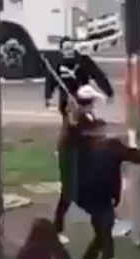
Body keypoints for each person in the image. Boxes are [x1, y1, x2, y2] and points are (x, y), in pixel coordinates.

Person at [76, 119, 140, 259]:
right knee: (105, 223)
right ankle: (105, 258)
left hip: (97, 193)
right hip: (91, 193)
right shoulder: (87, 147)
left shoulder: (106, 145)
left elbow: (130, 154)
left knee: (103, 226)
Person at [53, 85, 102, 244]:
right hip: (69, 158)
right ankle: (56, 229)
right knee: (69, 193)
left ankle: (102, 221)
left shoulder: (81, 116)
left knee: (82, 190)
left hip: (77, 157)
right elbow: (88, 131)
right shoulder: (79, 118)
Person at [45, 38, 115, 117]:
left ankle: (89, 116)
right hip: (66, 97)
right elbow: (50, 80)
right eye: (66, 48)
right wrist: (48, 97)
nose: (69, 51)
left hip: (83, 94)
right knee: (67, 112)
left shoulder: (83, 60)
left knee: (86, 113)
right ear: (61, 50)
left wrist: (109, 92)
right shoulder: (57, 63)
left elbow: (98, 76)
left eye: (71, 48)